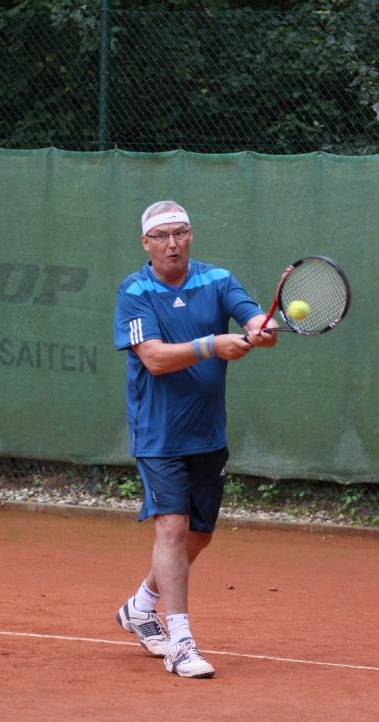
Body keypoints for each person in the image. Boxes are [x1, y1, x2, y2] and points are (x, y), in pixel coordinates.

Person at [114, 200, 277, 679]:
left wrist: (260, 329)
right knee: (172, 528)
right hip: (158, 433)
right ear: (146, 243)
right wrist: (212, 344)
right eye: (162, 236)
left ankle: (140, 607)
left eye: (181, 233)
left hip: (208, 433)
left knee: (198, 536)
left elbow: (253, 318)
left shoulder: (218, 280)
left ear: (191, 236)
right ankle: (180, 643)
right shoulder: (135, 291)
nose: (173, 244)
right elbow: (154, 359)